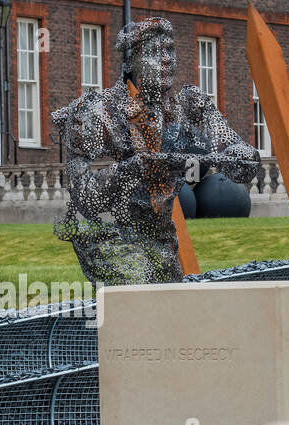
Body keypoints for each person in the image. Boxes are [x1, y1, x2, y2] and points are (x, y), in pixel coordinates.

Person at [52, 18, 259, 285]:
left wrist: (240, 154)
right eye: (152, 53)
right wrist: (128, 170)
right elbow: (85, 199)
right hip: (109, 236)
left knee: (169, 302)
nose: (165, 60)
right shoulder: (98, 113)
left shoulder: (188, 104)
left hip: (161, 239)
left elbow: (226, 140)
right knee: (142, 291)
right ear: (130, 63)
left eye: (169, 50)